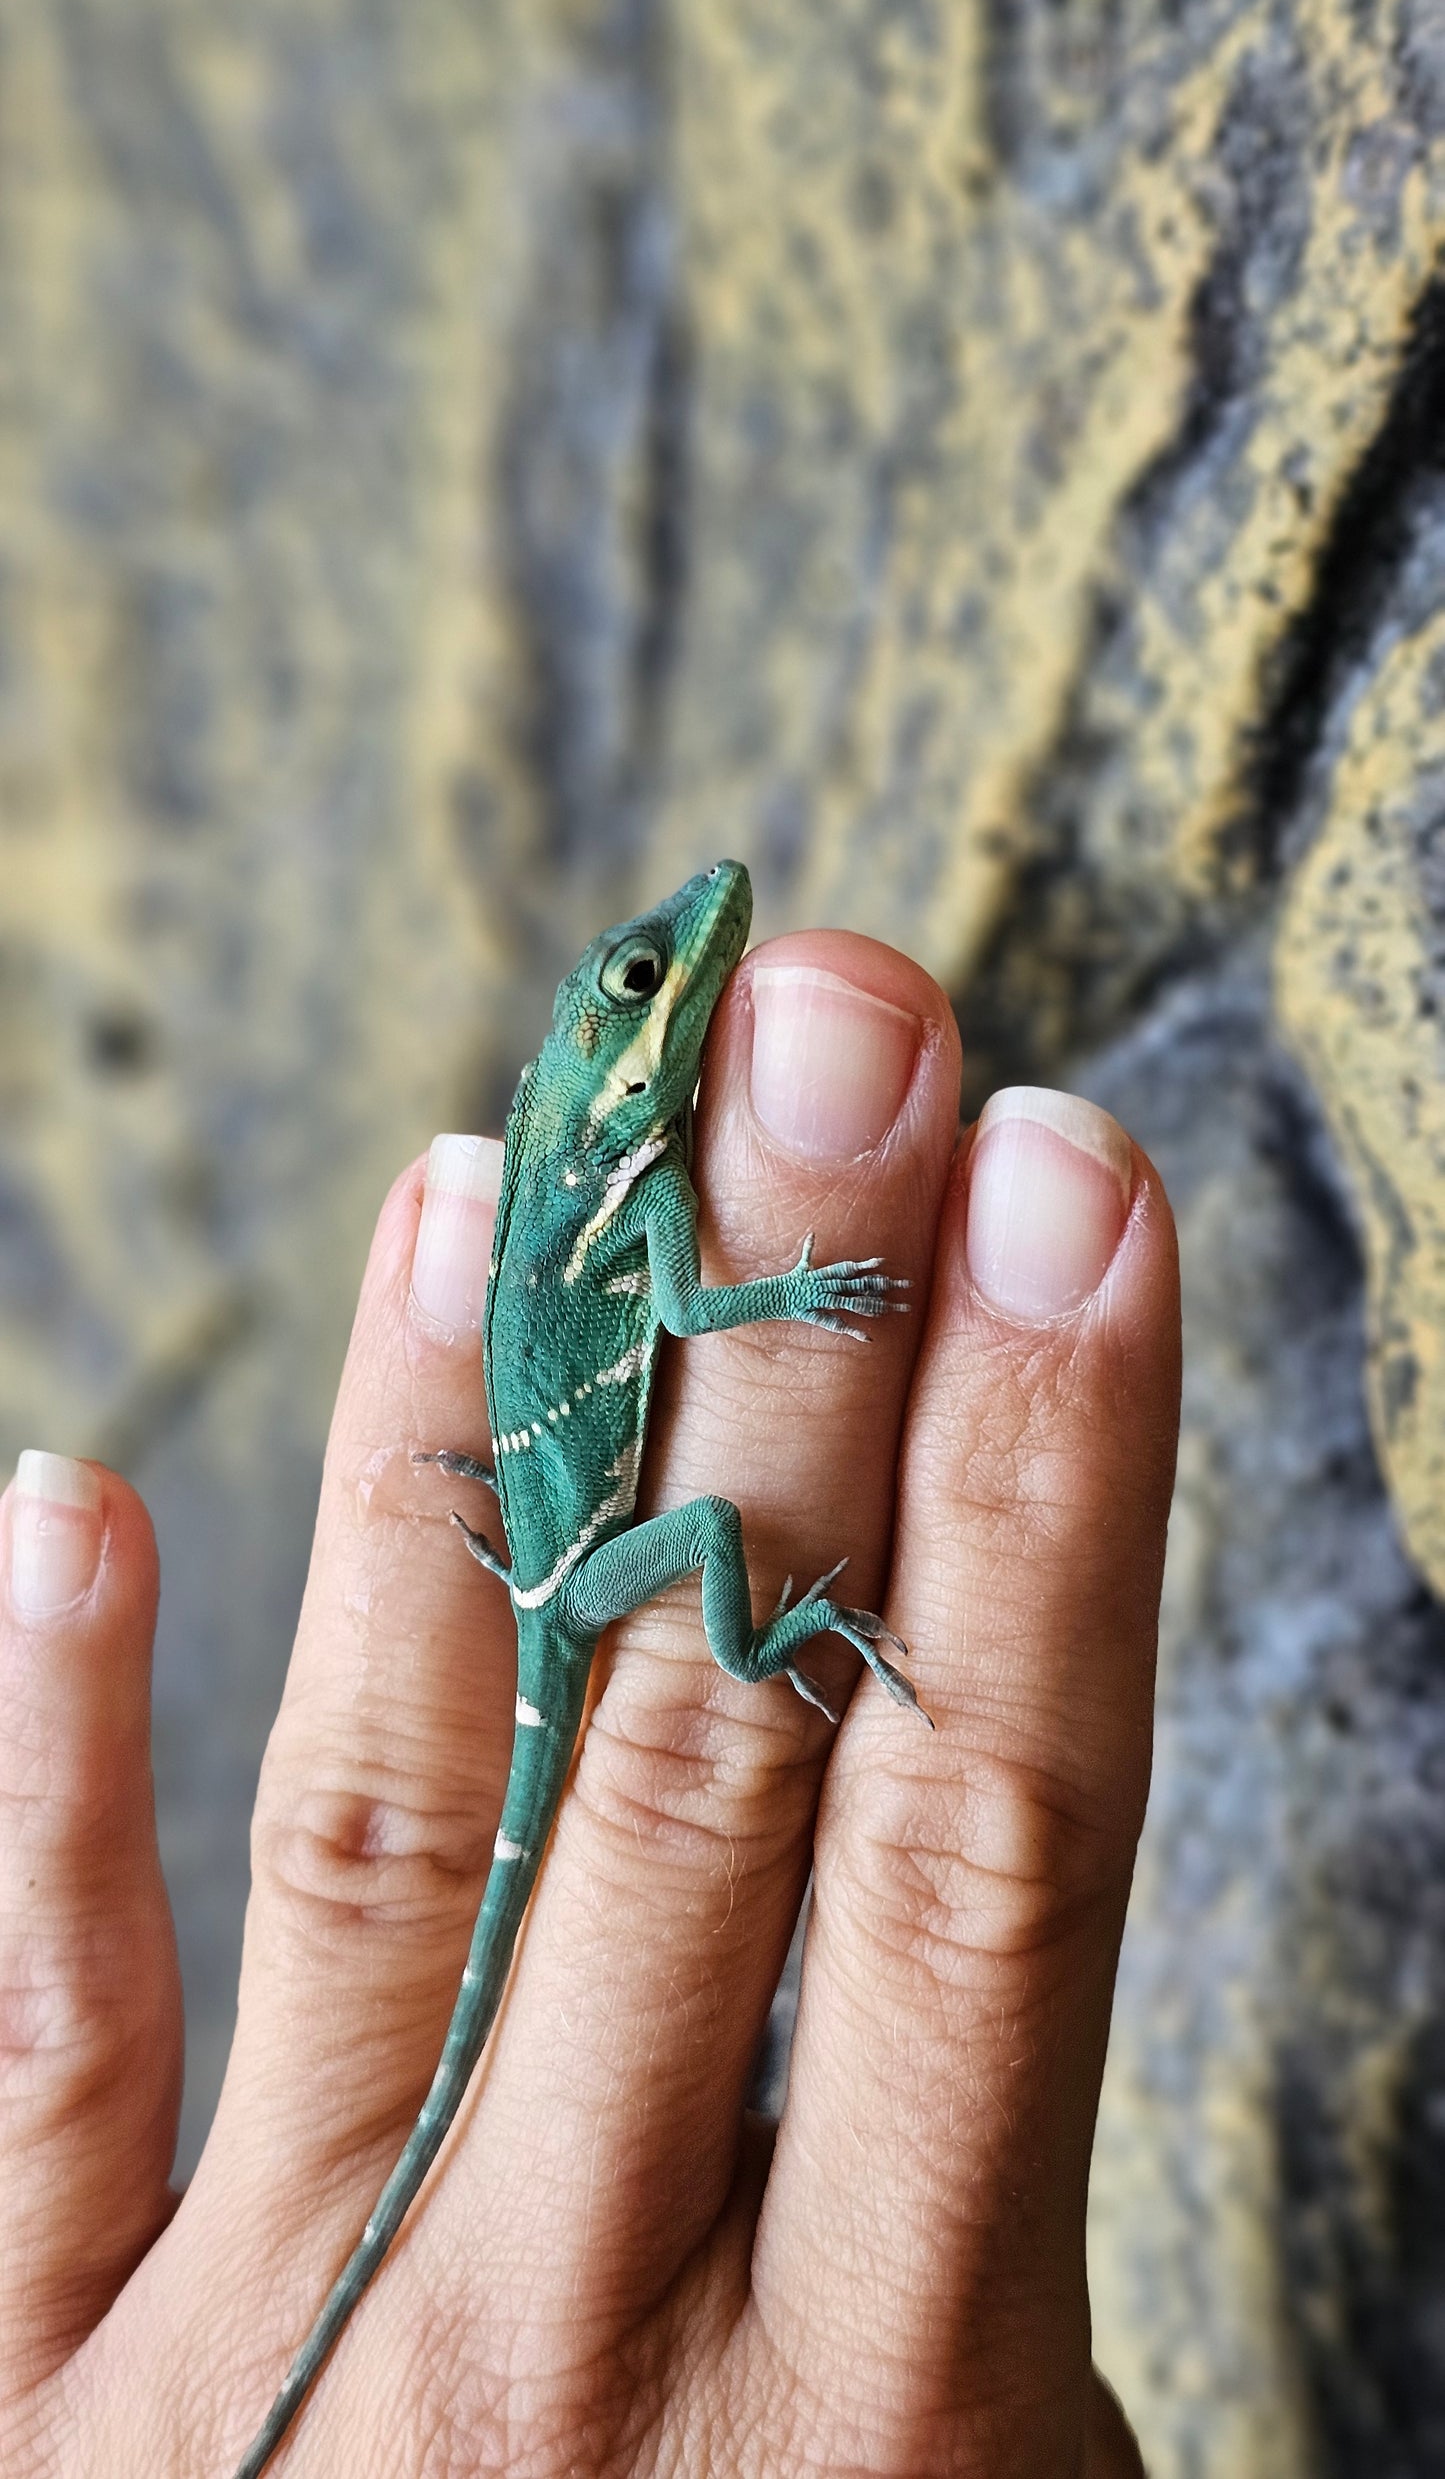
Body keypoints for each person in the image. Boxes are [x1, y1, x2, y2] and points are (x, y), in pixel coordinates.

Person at [0, 926, 1176, 2475]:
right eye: (643, 981)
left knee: (665, 1584)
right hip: (590, 1567)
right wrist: (806, 1282)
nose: (690, 953)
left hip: (554, 1568)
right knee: (708, 1540)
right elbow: (687, 1316)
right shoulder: (641, 1183)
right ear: (604, 1055)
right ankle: (763, 1653)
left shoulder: (632, 1168)